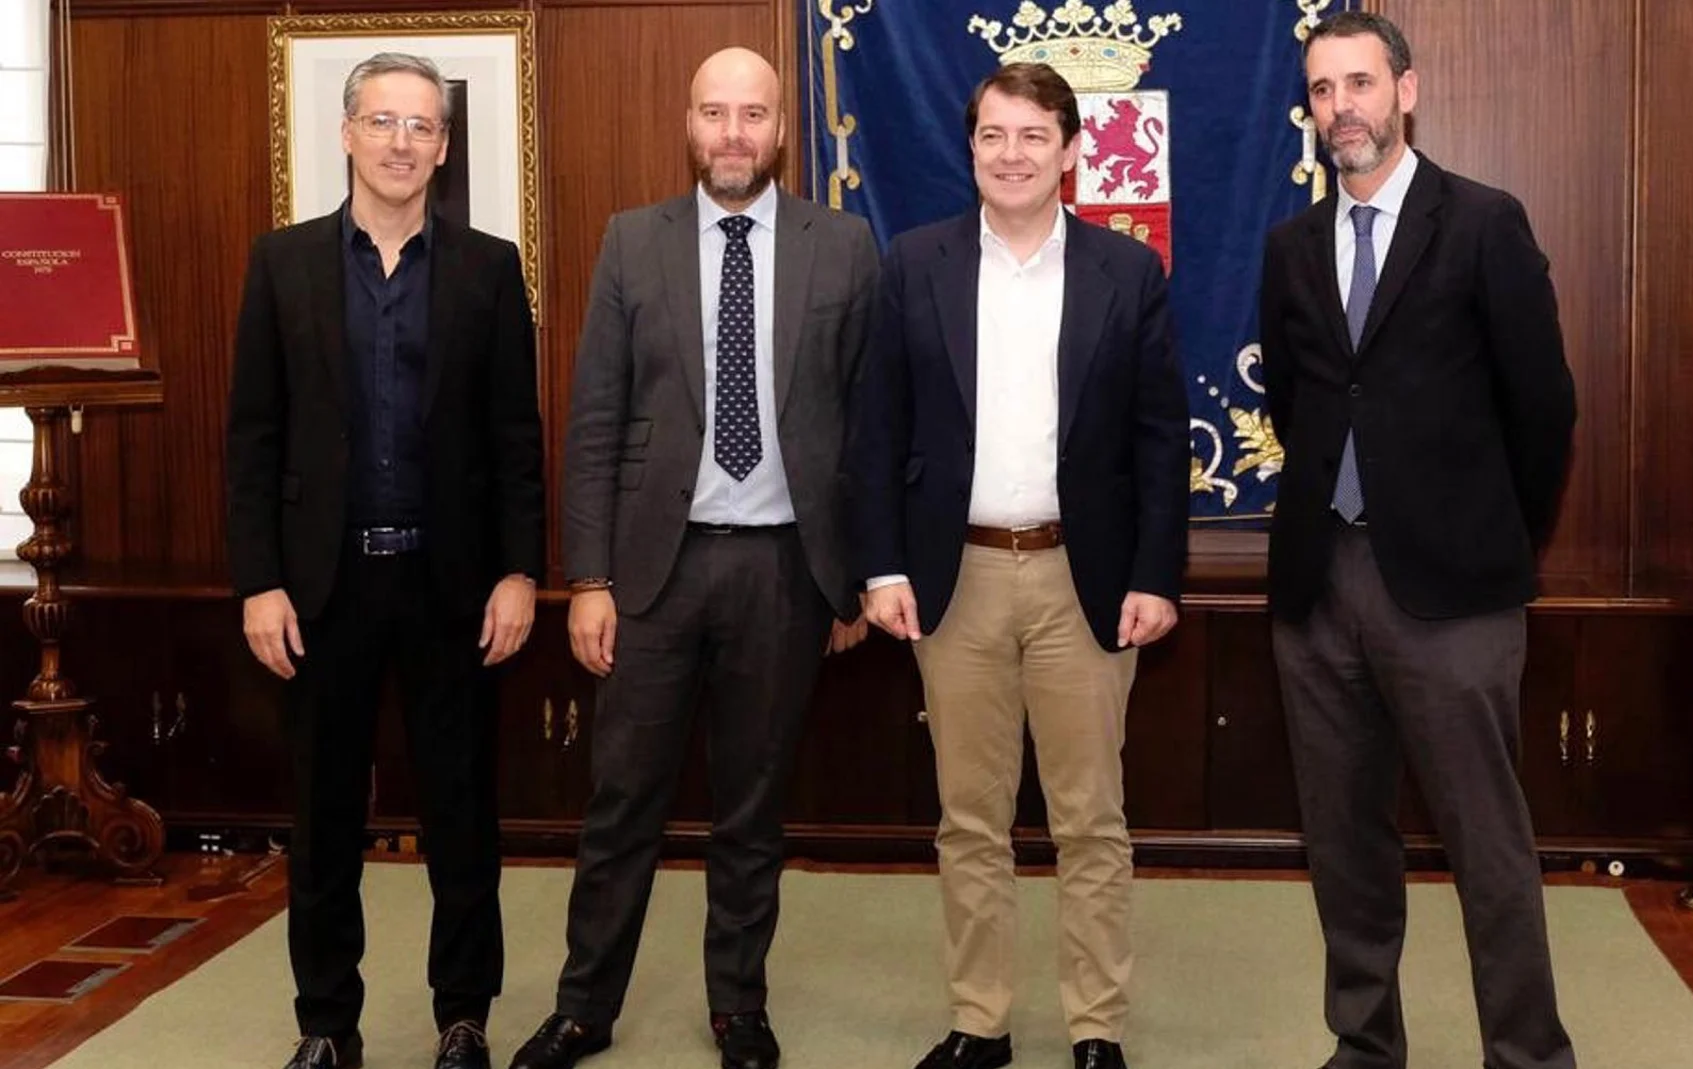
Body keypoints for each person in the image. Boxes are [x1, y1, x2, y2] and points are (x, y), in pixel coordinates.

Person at [504, 46, 878, 1069]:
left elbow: (865, 427)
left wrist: (853, 573)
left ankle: (738, 1010)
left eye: (751, 114)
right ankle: (584, 1006)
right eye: (714, 113)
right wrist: (587, 578)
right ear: (688, 122)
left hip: (785, 574)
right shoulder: (634, 242)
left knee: (753, 811)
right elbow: (594, 421)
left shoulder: (842, 246)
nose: (732, 134)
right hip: (653, 576)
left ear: (780, 130)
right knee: (621, 800)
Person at [851, 61, 1188, 1069]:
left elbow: (1159, 438)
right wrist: (879, 566)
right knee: (968, 820)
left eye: (1033, 136)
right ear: (971, 149)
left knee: (1092, 821)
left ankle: (1096, 1028)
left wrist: (1156, 576)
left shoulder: (1125, 272)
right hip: (952, 581)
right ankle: (979, 1021)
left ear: (1072, 151)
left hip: (1082, 583)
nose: (1011, 154)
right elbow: (876, 430)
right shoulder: (914, 263)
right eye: (993, 135)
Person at [1256, 12, 1578, 1069]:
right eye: (1320, 89)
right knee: (1344, 842)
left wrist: (1495, 541)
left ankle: (1526, 1053)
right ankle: (1364, 1042)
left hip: (1454, 594)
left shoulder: (1484, 222)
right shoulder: (1291, 244)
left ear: (1406, 90)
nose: (1339, 106)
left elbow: (1543, 411)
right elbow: (1303, 406)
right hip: (1320, 584)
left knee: (1487, 845)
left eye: (1358, 82)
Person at [226, 51, 545, 1069]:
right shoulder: (280, 264)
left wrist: (518, 570)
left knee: (462, 814)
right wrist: (258, 581)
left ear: (443, 148)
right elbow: (253, 437)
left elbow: (514, 439)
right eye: (384, 121)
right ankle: (327, 1025)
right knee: (322, 821)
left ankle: (463, 1016)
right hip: (323, 589)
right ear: (348, 133)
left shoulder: (490, 268)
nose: (402, 141)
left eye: (421, 126)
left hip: (451, 586)